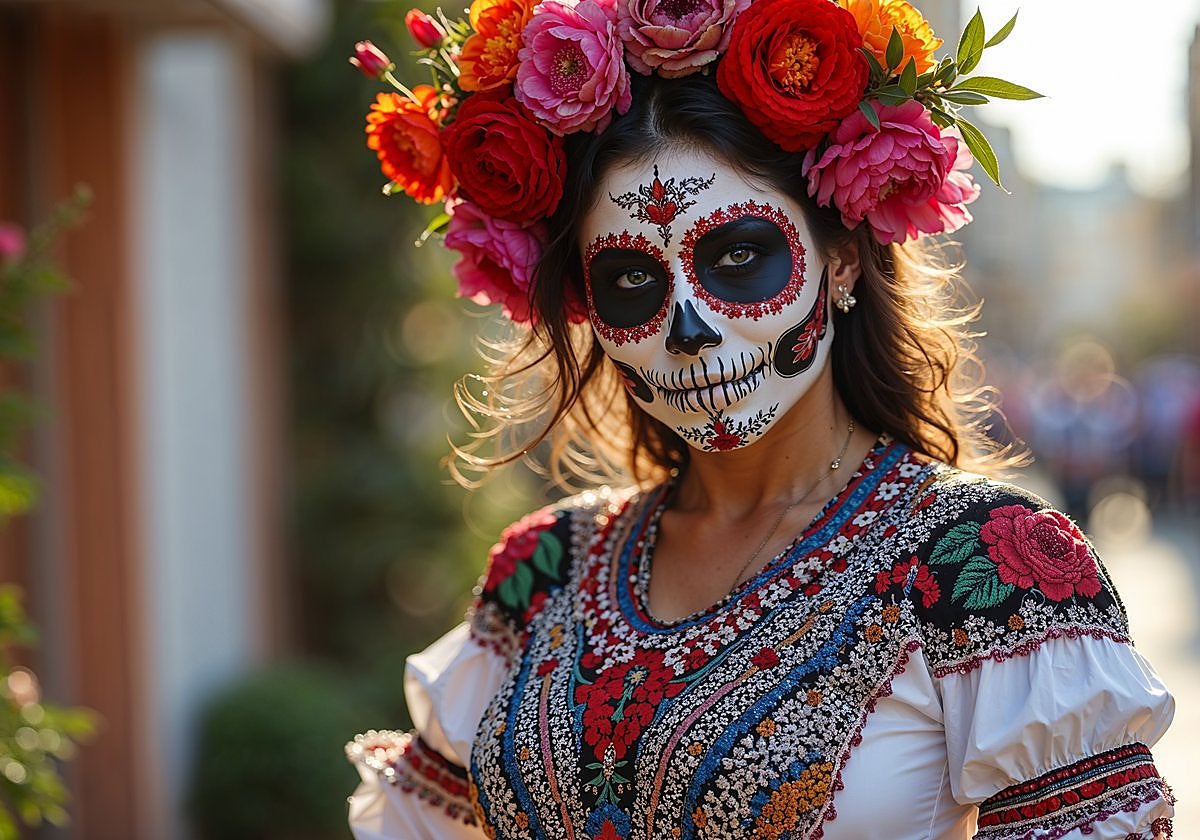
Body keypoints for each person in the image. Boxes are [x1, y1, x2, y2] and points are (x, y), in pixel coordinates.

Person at [345, 1, 1175, 837]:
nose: (691, 328)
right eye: (633, 281)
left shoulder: (990, 571)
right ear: (588, 309)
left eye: (737, 257)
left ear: (840, 258)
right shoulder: (542, 573)